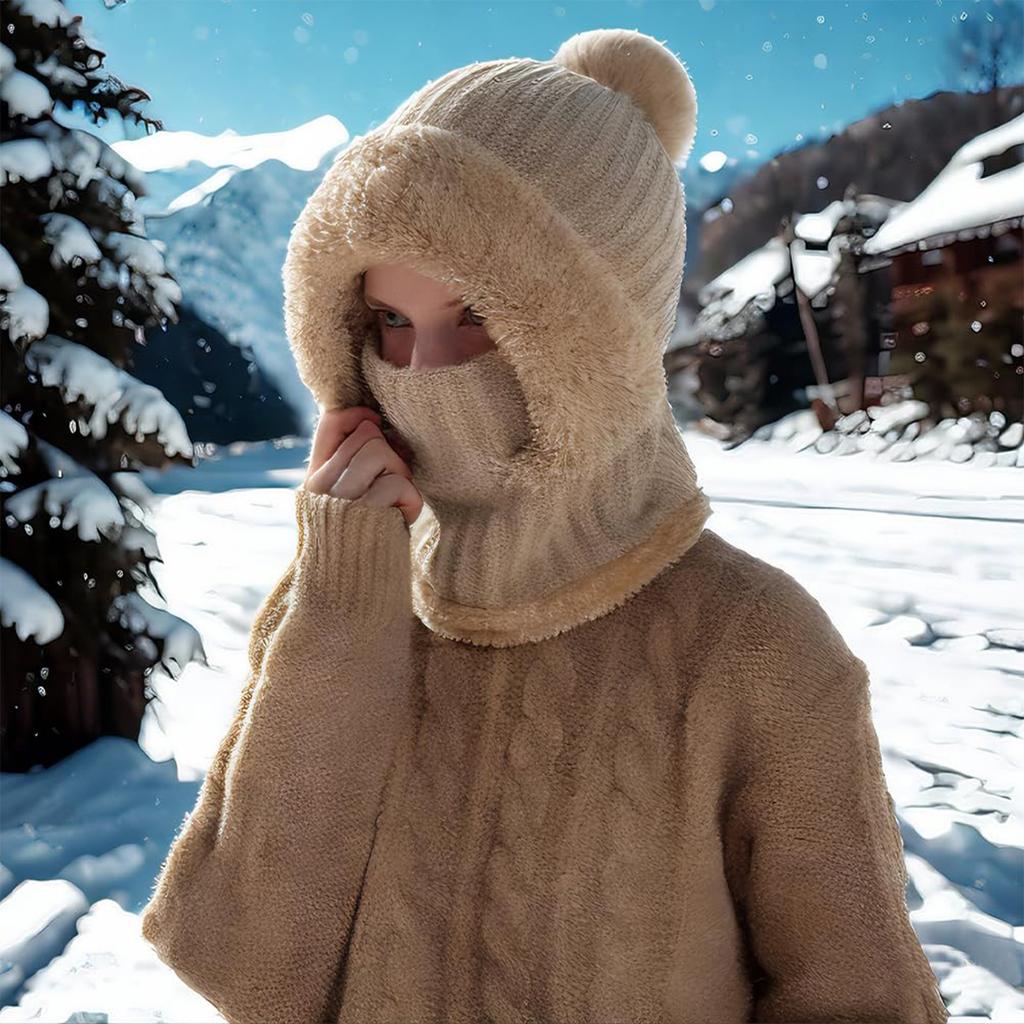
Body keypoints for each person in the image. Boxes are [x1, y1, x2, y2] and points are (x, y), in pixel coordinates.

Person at [139, 28, 949, 1024]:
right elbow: (246, 967)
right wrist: (342, 621)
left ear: (599, 335)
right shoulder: (348, 596)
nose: (423, 373)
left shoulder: (758, 646)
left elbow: (861, 1000)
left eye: (477, 315)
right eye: (390, 322)